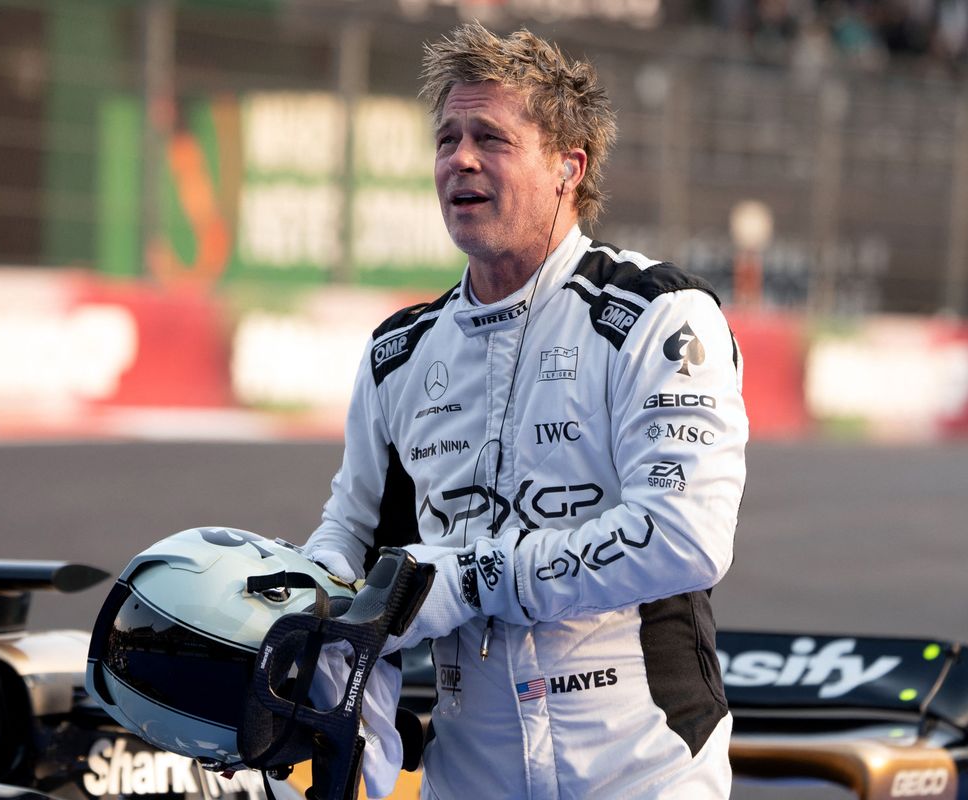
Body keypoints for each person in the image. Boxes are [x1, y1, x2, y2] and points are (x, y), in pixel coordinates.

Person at [304, 22, 748, 800]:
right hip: (469, 773)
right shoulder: (398, 355)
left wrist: (474, 577)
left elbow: (685, 538)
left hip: (643, 770)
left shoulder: (655, 316)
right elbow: (353, 539)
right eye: (447, 139)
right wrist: (298, 599)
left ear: (567, 169)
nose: (461, 159)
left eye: (491, 138)